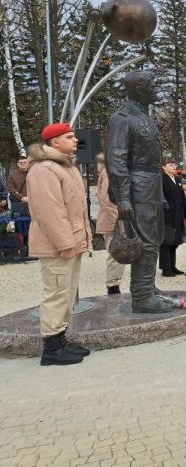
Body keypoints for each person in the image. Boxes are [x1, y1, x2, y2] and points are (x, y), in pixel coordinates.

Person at [106, 71, 173, 313]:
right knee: (143, 240)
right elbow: (116, 160)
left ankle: (147, 287)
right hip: (137, 185)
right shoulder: (121, 118)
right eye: (152, 85)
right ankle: (142, 297)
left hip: (151, 183)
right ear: (138, 89)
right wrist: (123, 197)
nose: (156, 88)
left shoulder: (143, 116)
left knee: (153, 238)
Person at [25, 123, 92, 365]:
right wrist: (65, 243)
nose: (76, 141)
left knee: (66, 292)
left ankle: (60, 339)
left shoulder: (65, 166)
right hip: (58, 244)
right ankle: (51, 349)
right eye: (70, 137)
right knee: (56, 293)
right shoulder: (44, 170)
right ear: (55, 142)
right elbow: (50, 212)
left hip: (70, 241)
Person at [159, 157, 186, 276]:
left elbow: (183, 198)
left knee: (175, 240)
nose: (174, 167)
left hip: (178, 215)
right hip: (166, 215)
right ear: (164, 167)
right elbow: (159, 199)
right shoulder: (161, 180)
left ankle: (172, 266)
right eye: (170, 165)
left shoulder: (177, 179)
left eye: (174, 164)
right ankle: (166, 269)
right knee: (167, 241)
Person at [96, 154, 122, 295]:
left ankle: (114, 283)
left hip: (117, 219)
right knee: (115, 252)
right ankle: (113, 285)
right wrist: (118, 223)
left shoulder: (112, 170)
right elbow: (107, 201)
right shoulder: (109, 173)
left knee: (118, 253)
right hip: (114, 220)